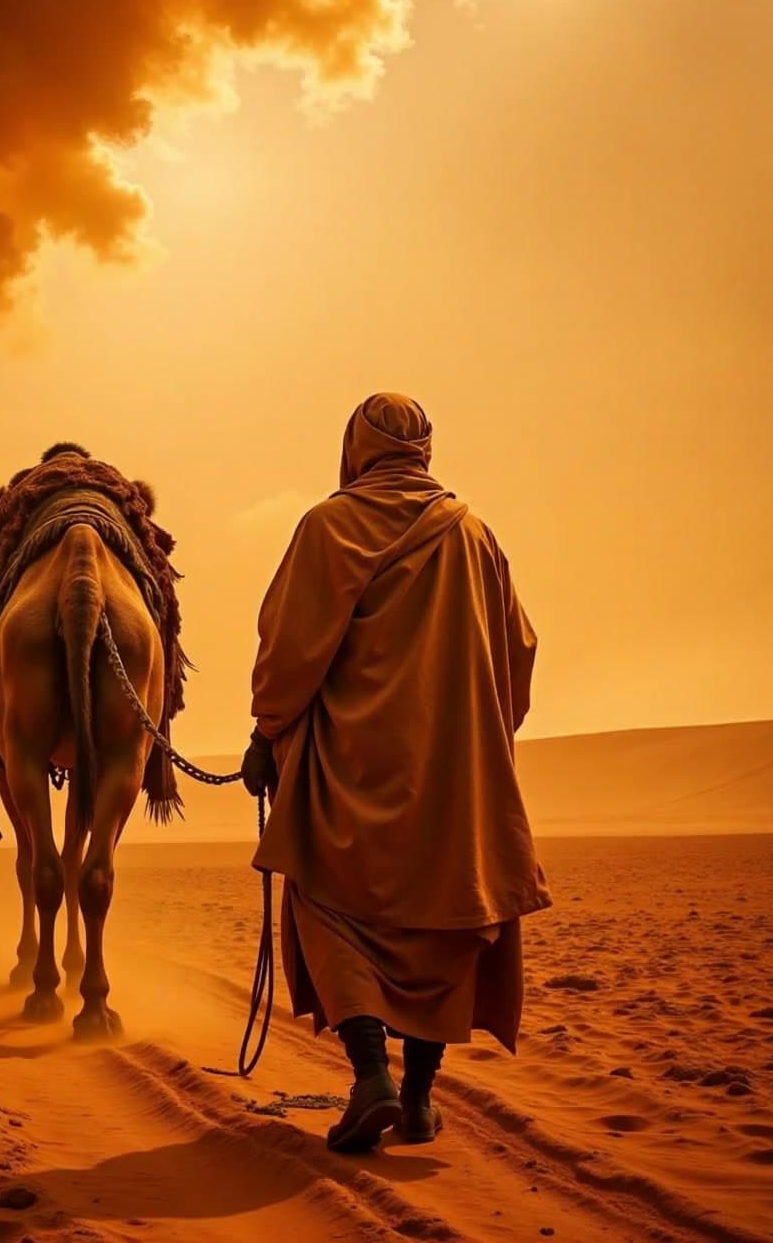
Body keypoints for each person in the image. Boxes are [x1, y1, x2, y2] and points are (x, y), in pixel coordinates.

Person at [241, 392, 551, 1155]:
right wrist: (474, 738)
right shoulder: (474, 533)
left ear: (356, 447)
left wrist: (266, 732)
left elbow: (290, 650)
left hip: (349, 766)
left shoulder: (329, 525)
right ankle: (417, 1098)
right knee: (441, 923)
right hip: (453, 775)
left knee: (328, 903)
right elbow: (520, 654)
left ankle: (372, 1075)